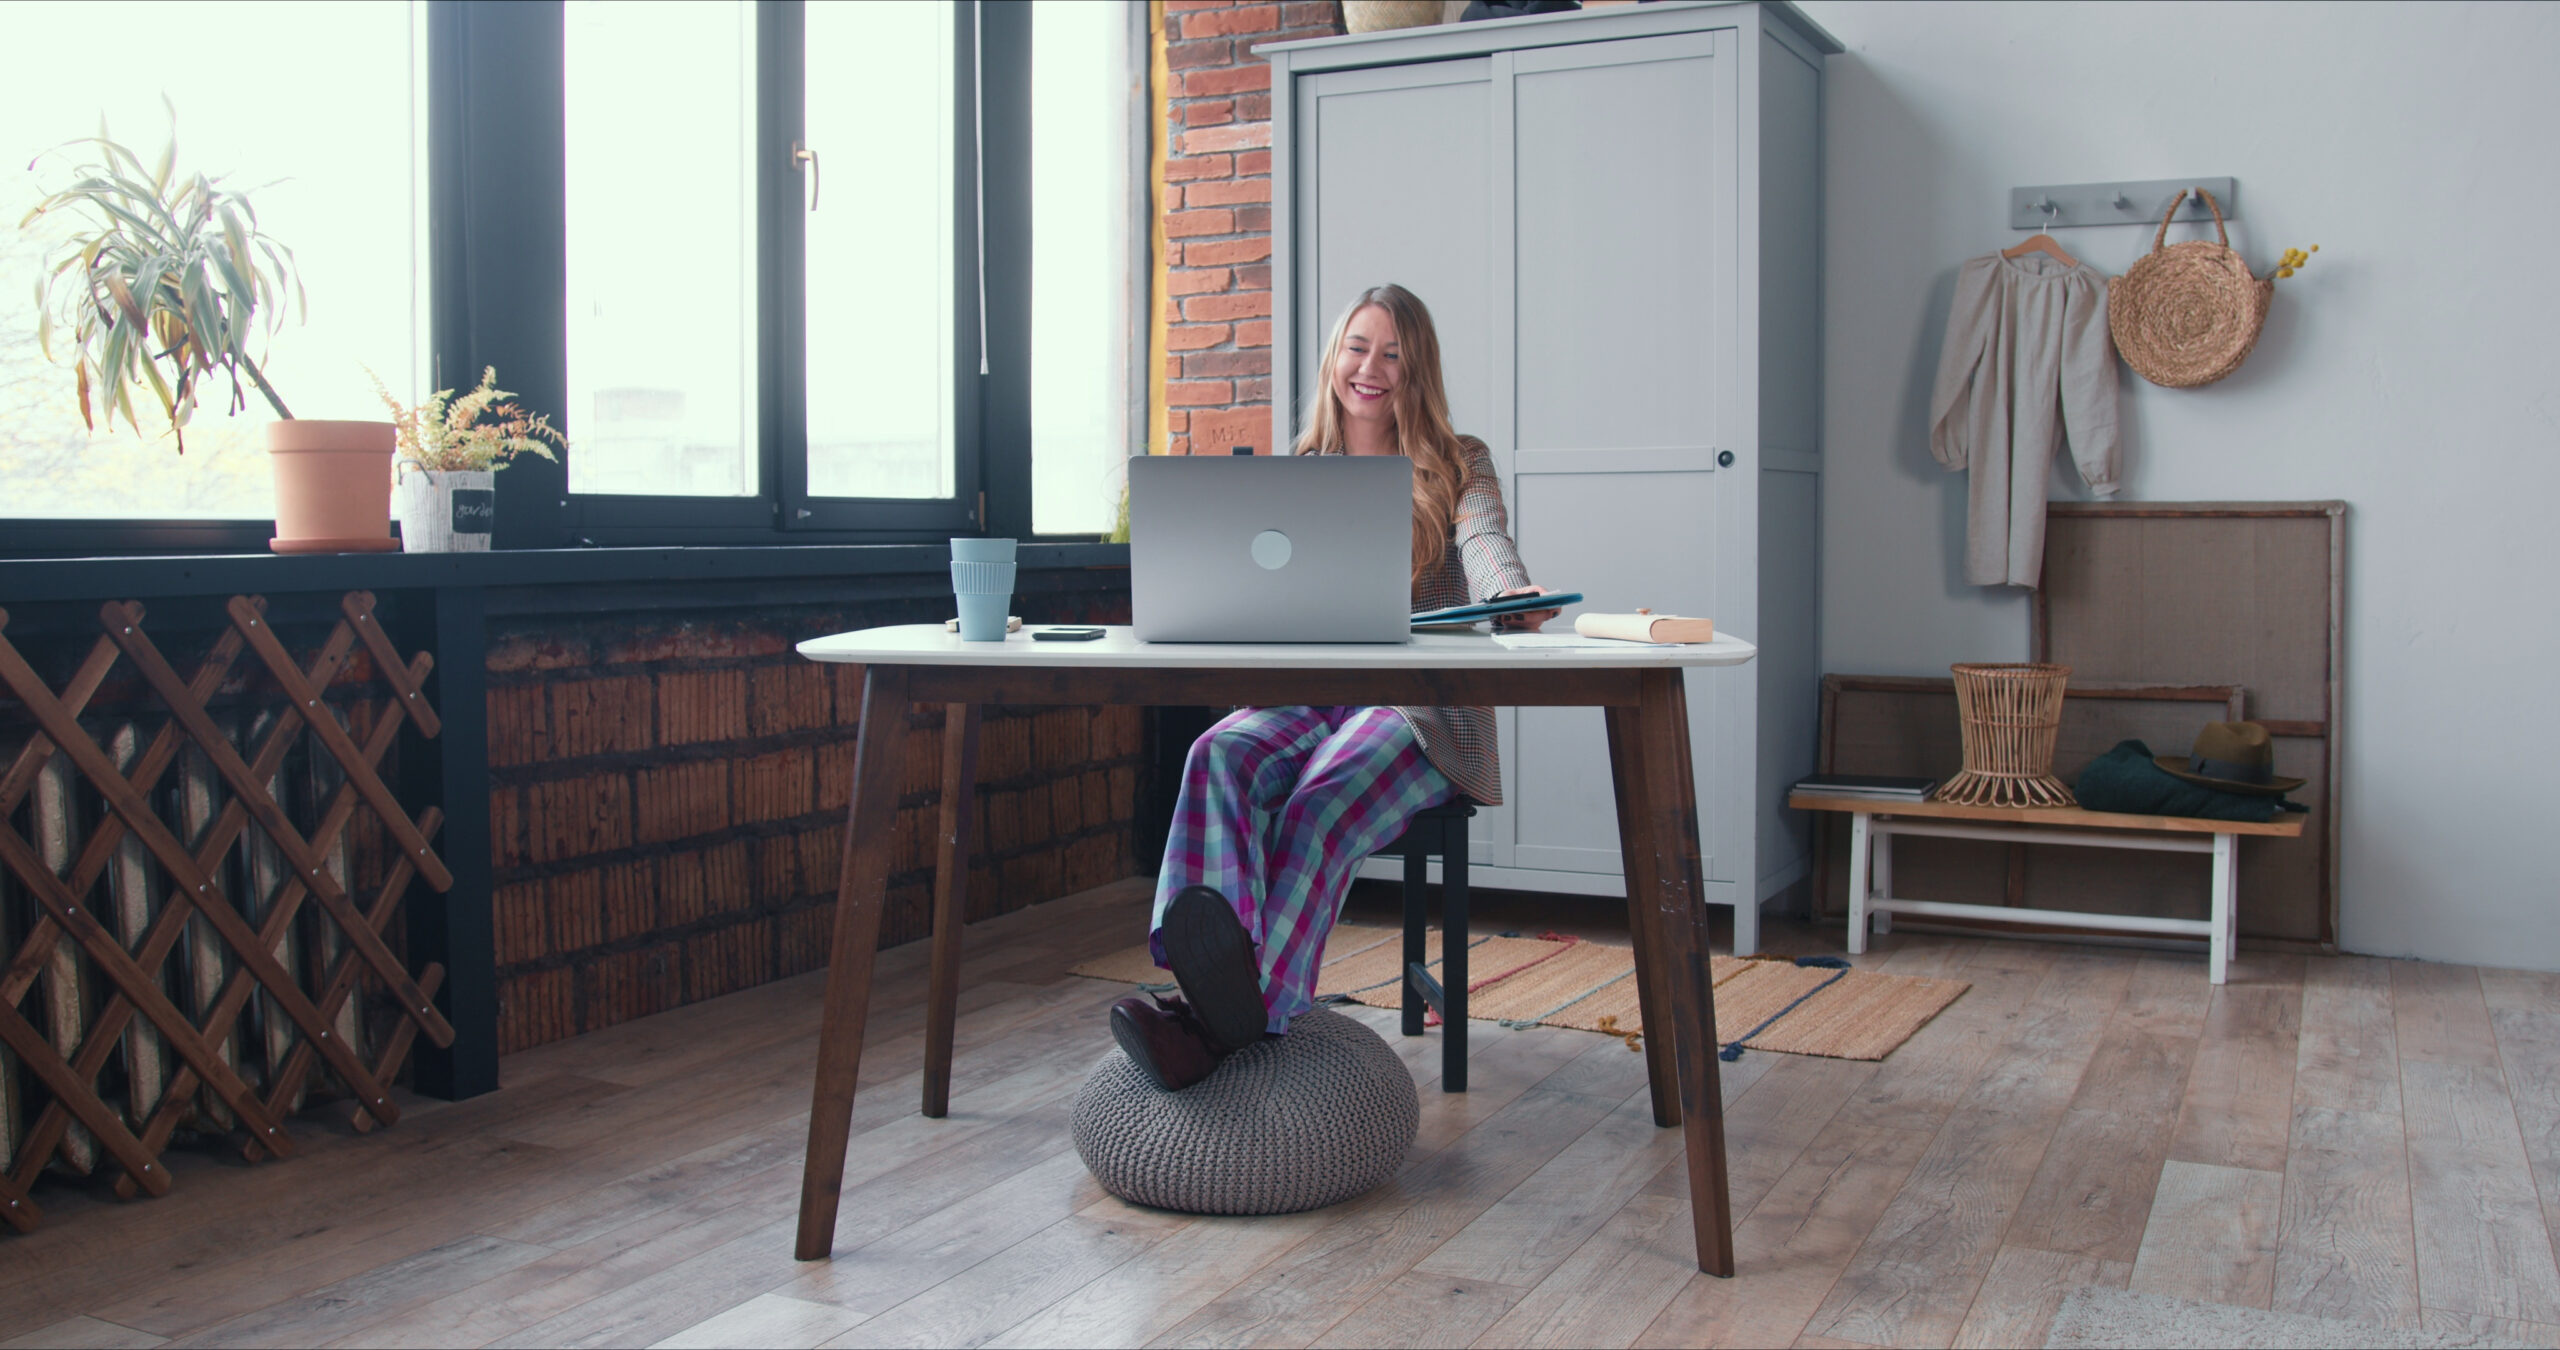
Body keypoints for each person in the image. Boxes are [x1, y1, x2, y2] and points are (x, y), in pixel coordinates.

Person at [1110, 283, 1558, 1091]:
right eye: (1358, 346)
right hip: (1311, 696)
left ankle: (1237, 1028)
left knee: (1318, 805)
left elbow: (1486, 539)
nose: (1371, 368)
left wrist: (1510, 598)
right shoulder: (1302, 469)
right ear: (1334, 357)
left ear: (1417, 370)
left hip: (1416, 706)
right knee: (1218, 754)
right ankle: (1208, 988)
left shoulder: (1461, 460)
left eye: (1393, 353)